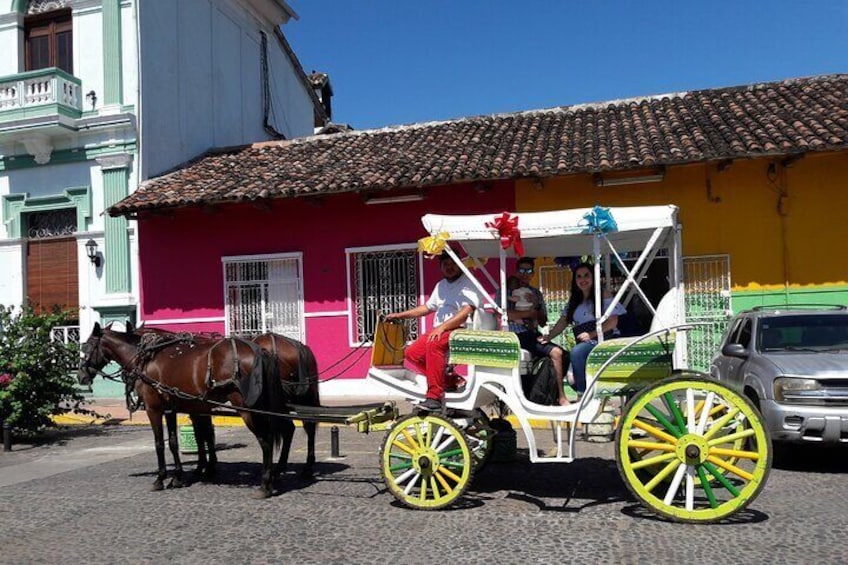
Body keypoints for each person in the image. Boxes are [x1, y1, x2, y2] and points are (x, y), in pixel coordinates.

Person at [385, 251, 483, 410]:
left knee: (434, 343)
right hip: (442, 330)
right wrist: (400, 315)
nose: (449, 268)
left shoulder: (468, 283)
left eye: (452, 264)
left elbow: (466, 312)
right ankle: (451, 381)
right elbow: (427, 307)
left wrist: (442, 327)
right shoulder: (441, 286)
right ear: (441, 267)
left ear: (460, 265)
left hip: (460, 329)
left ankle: (434, 396)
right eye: (445, 265)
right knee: (412, 354)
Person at [497, 257, 570, 406]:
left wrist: (536, 306)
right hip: (514, 336)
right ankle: (562, 397)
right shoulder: (506, 291)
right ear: (517, 271)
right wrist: (529, 314)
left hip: (531, 334)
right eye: (522, 270)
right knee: (556, 353)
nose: (525, 274)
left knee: (565, 354)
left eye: (528, 270)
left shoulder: (536, 293)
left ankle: (550, 395)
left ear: (533, 273)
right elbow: (505, 315)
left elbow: (543, 320)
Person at [543, 262, 626, 393]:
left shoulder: (603, 294)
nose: (583, 280)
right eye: (579, 277)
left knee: (577, 352)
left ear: (593, 277)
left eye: (586, 276)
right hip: (585, 341)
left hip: (604, 338)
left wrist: (591, 334)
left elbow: (613, 321)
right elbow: (563, 321)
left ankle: (582, 396)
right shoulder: (575, 300)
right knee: (571, 374)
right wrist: (549, 337)